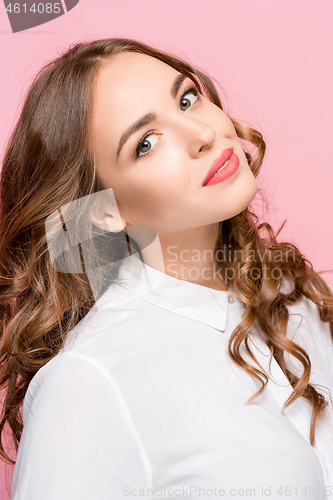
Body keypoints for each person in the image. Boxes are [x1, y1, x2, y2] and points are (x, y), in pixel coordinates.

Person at [0, 37, 332, 499]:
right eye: (147, 143)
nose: (202, 135)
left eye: (188, 98)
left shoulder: (296, 289)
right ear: (103, 213)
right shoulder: (87, 381)